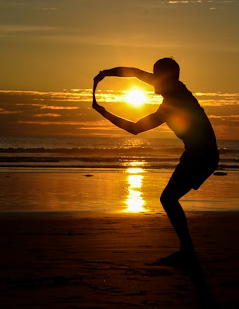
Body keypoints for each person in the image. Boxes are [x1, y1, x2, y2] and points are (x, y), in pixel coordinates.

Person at [92, 58, 219, 266]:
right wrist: (105, 72)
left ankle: (187, 251)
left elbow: (134, 125)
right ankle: (187, 250)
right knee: (169, 199)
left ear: (166, 78)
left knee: (168, 199)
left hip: (202, 155)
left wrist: (103, 110)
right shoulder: (170, 101)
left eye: (155, 75)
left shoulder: (175, 98)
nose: (151, 79)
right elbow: (133, 76)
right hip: (199, 154)